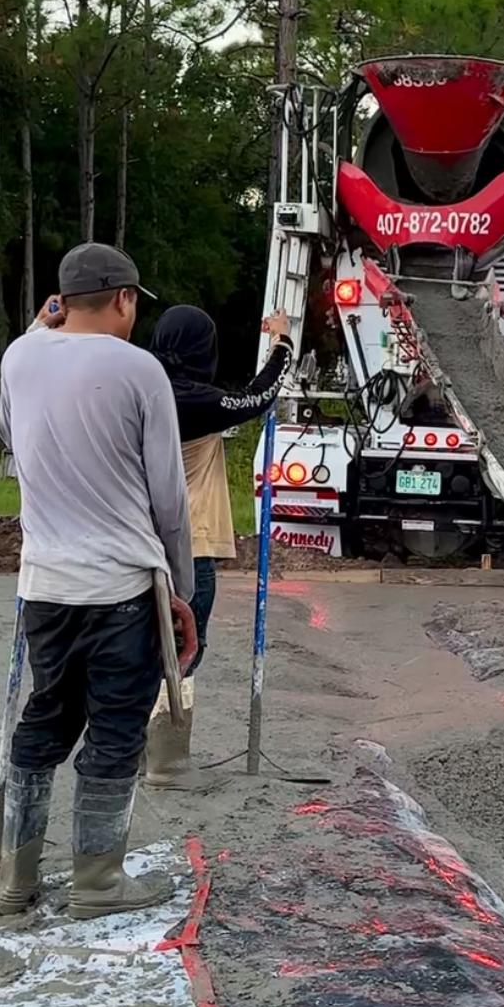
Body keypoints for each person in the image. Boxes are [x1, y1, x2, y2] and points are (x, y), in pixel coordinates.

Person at [0, 241, 198, 919]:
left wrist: (38, 325)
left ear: (61, 302)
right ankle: (96, 884)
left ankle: (13, 882)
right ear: (123, 298)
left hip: (45, 585)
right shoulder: (139, 371)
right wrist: (182, 590)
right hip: (120, 589)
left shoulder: (20, 358)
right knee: (114, 728)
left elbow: (4, 429)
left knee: (45, 718)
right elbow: (168, 496)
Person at [143, 302, 295, 781]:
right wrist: (283, 343)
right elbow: (258, 397)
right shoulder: (190, 400)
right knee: (186, 645)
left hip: (138, 538)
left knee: (140, 644)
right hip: (192, 541)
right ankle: (166, 757)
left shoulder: (140, 390)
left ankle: (129, 749)